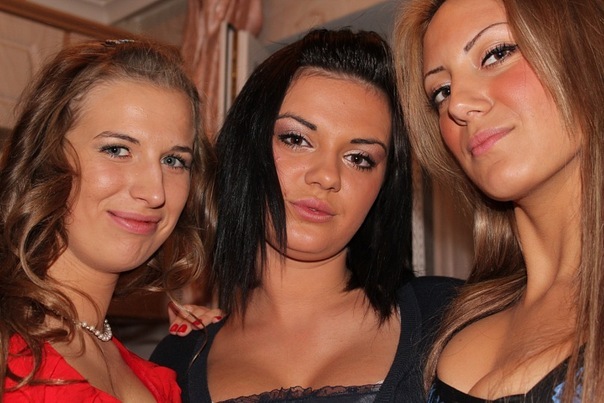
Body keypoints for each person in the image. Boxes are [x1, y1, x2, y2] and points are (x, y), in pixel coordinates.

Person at [151, 28, 460, 402]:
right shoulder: (178, 360)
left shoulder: (450, 316)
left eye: (359, 158)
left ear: (383, 187)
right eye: (296, 139)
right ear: (246, 147)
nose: (327, 176)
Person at [394, 0, 603, 401]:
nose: (457, 105)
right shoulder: (448, 321)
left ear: (585, 50)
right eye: (441, 91)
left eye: (496, 54)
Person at [0, 38, 216, 401]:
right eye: (117, 150)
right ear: (47, 159)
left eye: (174, 161)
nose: (155, 192)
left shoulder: (161, 382)